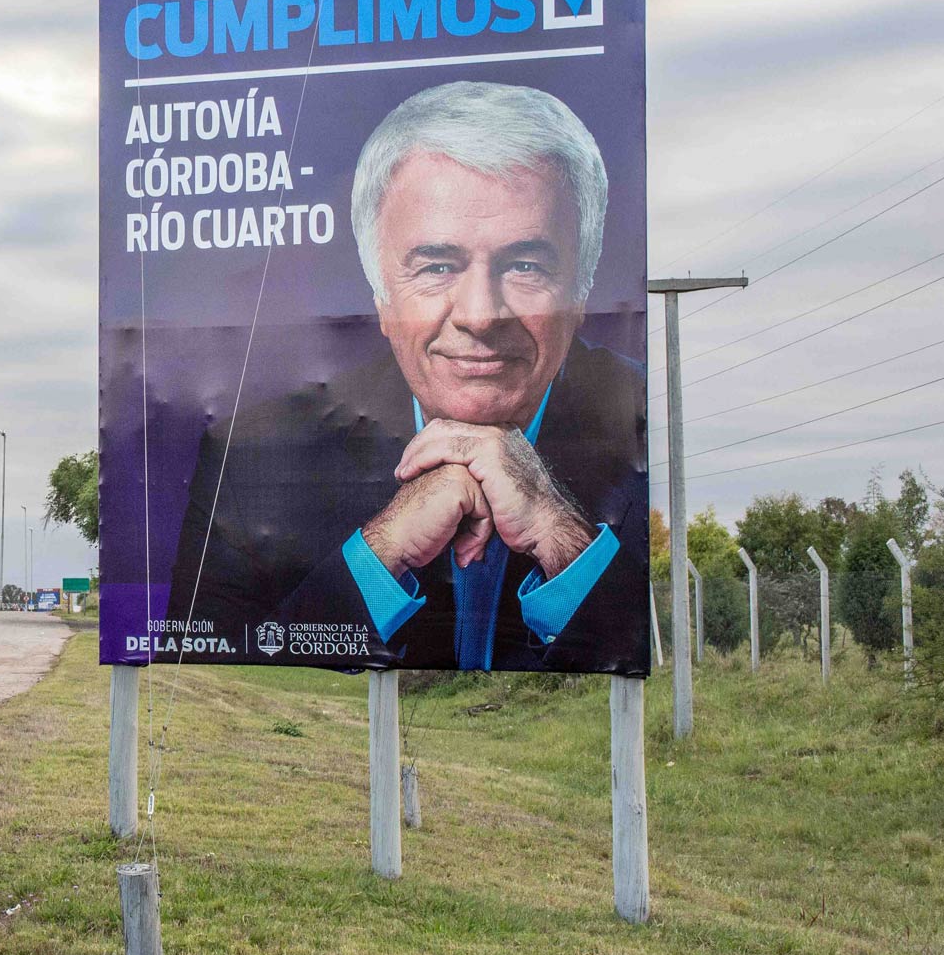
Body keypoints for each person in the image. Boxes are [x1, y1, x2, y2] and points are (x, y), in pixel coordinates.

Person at [168, 81, 647, 672]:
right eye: (437, 266)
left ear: (581, 292)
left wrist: (560, 533)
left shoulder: (649, 422)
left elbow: (681, 661)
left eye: (525, 265)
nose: (479, 316)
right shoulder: (249, 460)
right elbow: (211, 693)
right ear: (381, 298)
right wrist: (378, 553)